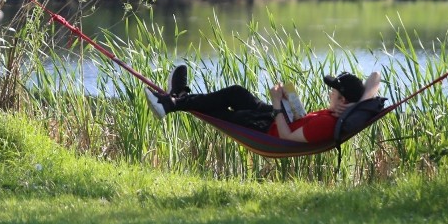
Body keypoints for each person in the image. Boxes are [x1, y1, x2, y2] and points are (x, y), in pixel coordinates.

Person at [145, 66, 381, 144]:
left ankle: (173, 102)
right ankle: (177, 97)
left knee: (219, 113)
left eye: (334, 91)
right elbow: (376, 76)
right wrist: (354, 107)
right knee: (237, 92)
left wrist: (278, 103)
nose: (329, 93)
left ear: (342, 99)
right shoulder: (337, 111)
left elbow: (287, 138)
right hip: (276, 117)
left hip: (266, 129)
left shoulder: (327, 124)